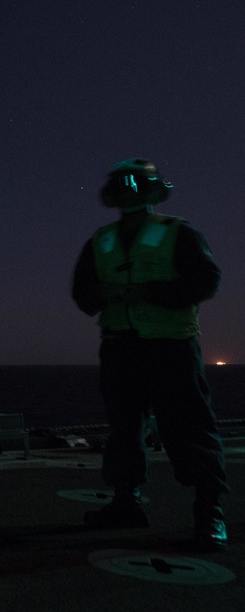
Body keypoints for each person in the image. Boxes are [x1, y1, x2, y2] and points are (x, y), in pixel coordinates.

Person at [72, 157, 229, 551]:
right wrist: (102, 296)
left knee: (189, 428)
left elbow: (206, 281)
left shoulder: (179, 232)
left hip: (171, 347)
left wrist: (148, 293)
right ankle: (126, 502)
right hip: (120, 348)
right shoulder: (101, 240)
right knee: (124, 430)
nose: (128, 192)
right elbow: (82, 293)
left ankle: (210, 513)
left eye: (134, 185)